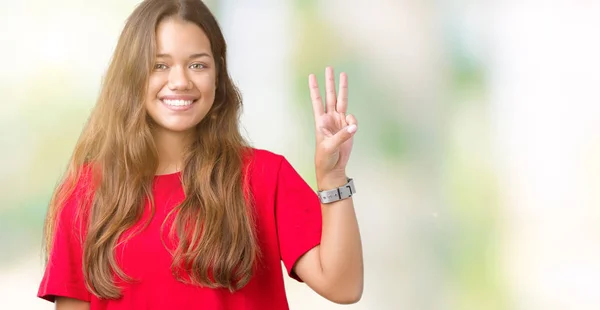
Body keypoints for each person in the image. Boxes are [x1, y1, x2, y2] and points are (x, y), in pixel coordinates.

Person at [37, 0, 363, 309]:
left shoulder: (265, 176)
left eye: (197, 64)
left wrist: (333, 177)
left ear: (217, 75)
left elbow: (343, 287)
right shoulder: (86, 193)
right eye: (159, 65)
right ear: (132, 75)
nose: (180, 81)